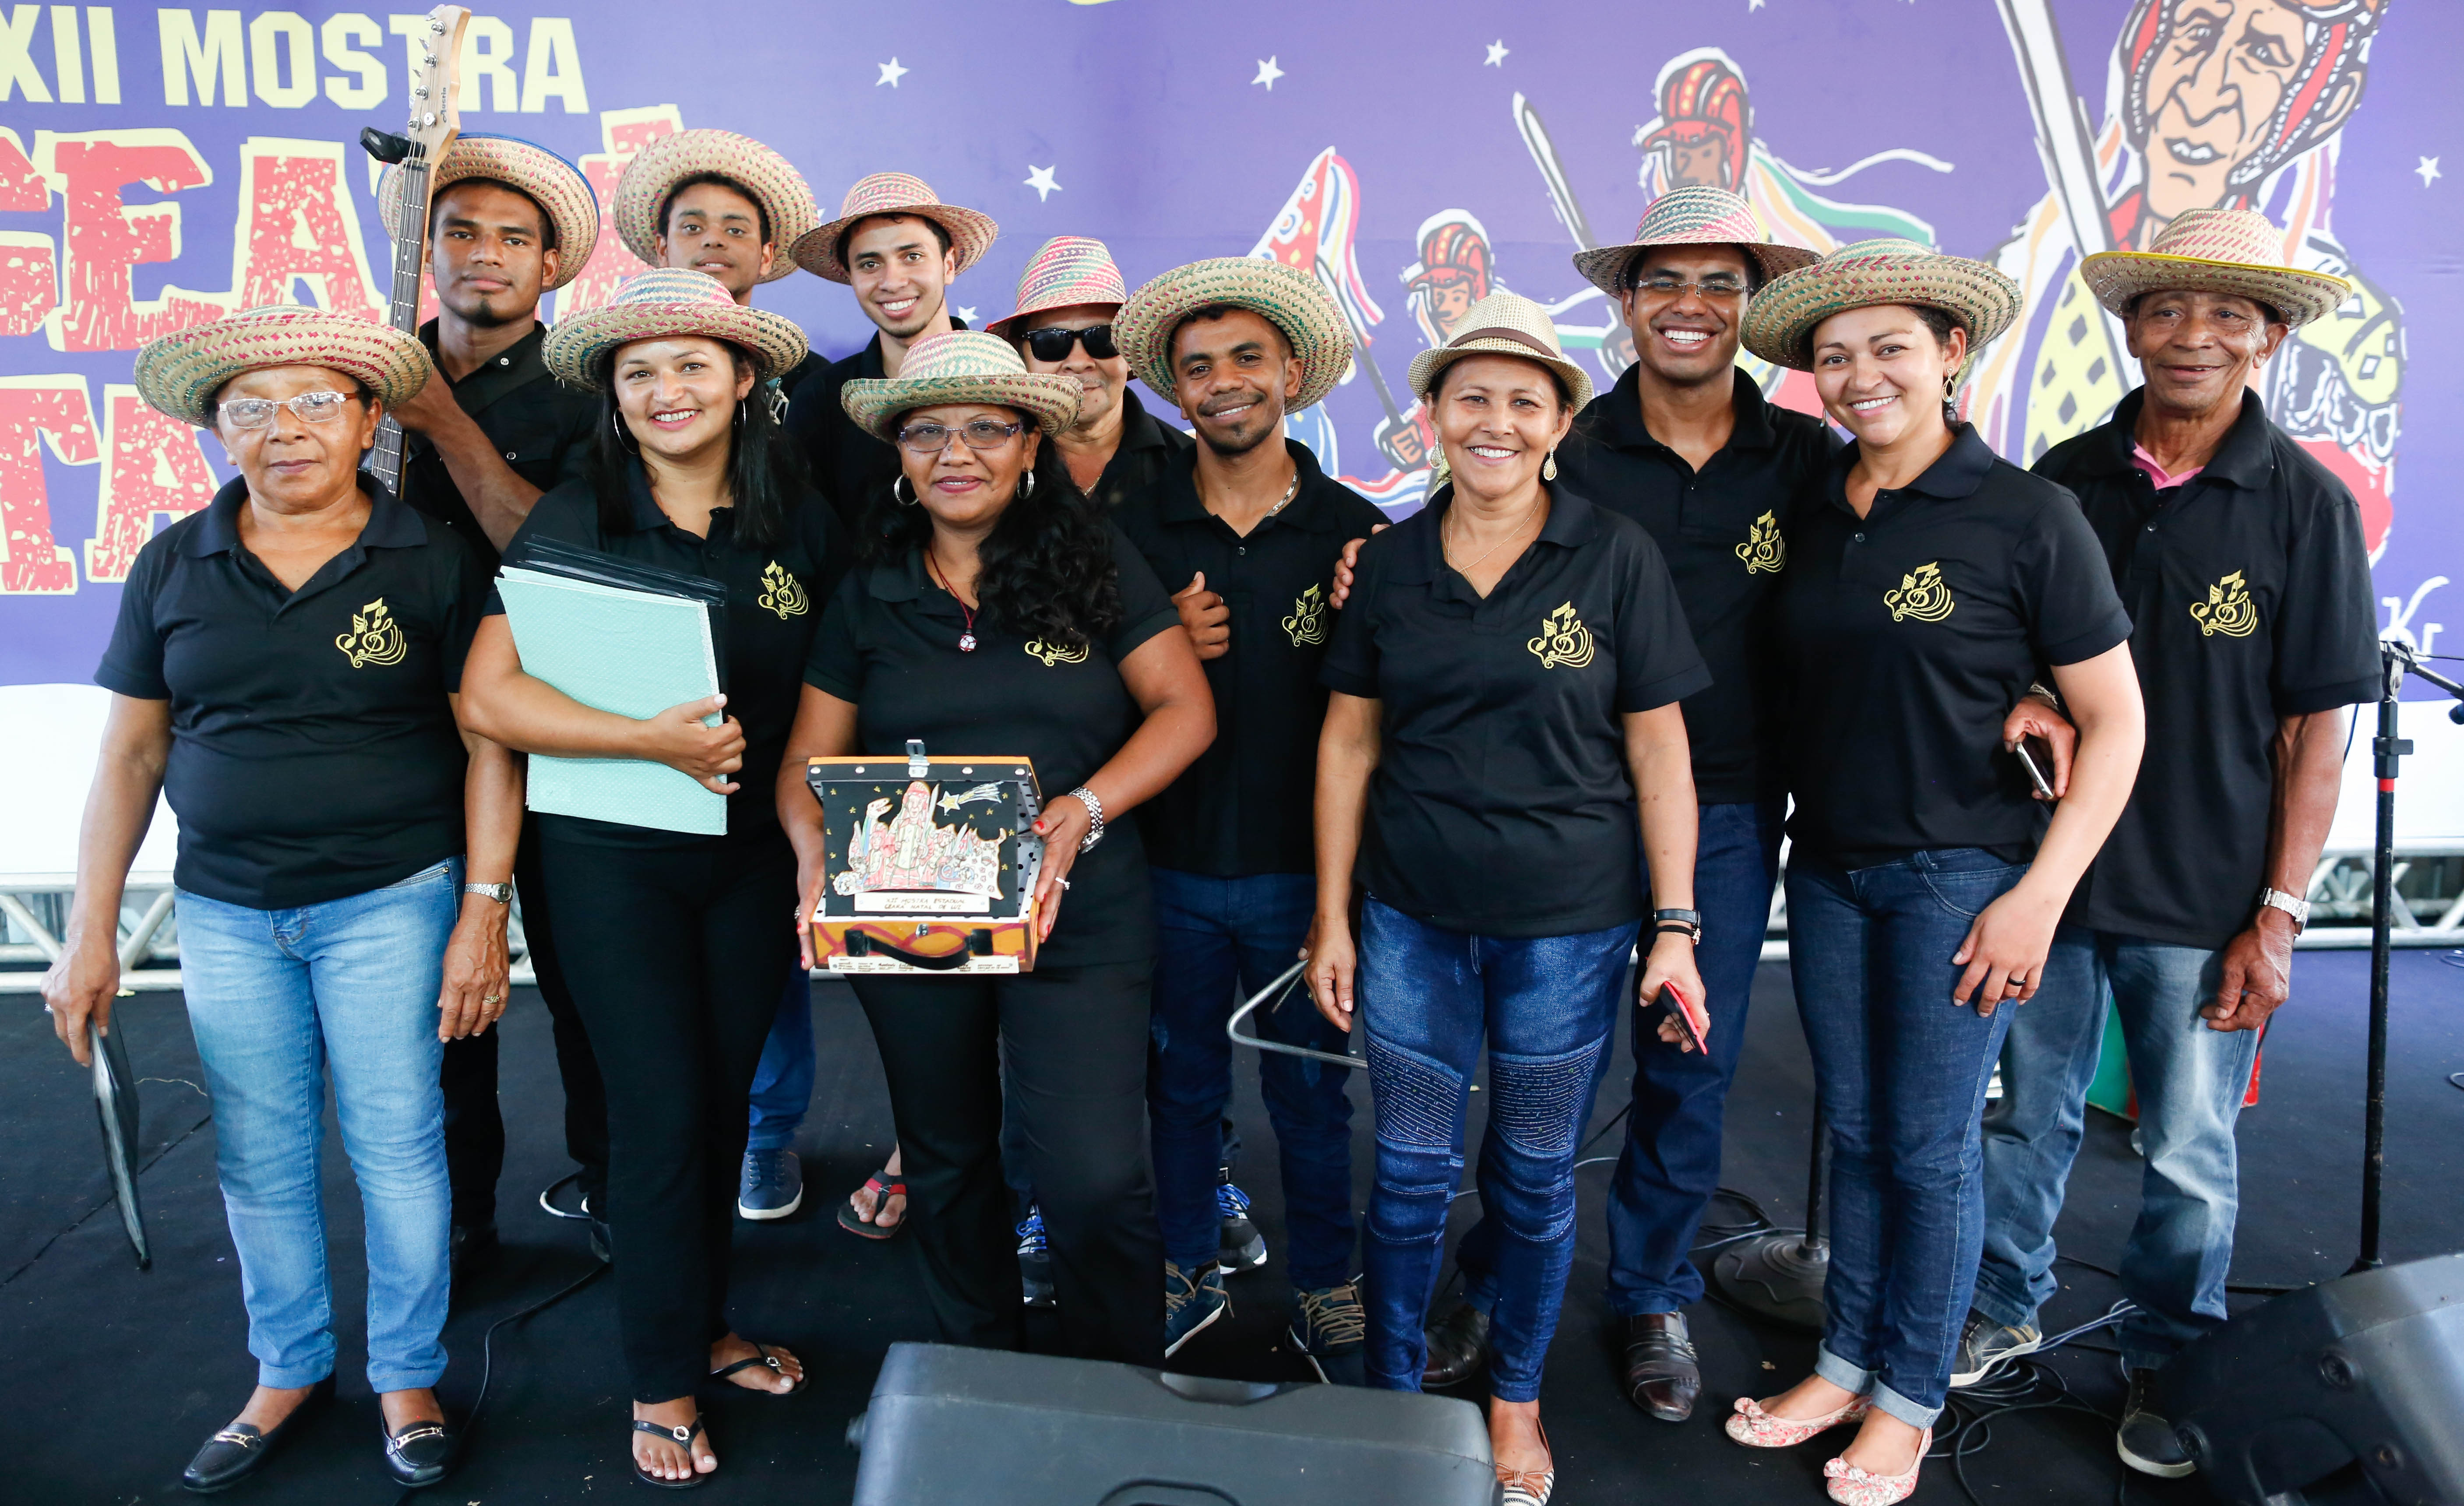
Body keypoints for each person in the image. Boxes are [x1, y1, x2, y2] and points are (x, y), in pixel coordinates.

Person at [42, 304, 519, 1493]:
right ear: (218, 431)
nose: (284, 429)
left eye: (314, 401)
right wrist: (91, 933)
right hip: (224, 909)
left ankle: (406, 1372)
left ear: (367, 420)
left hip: (391, 899)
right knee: (259, 1154)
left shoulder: (431, 558)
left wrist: (483, 908)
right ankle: (289, 1368)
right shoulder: (174, 560)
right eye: (249, 409)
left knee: (398, 1145)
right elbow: (130, 756)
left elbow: (489, 743)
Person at [1960, 210, 2381, 1480]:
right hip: (2049, 874)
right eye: (2165, 308)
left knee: (2187, 1150)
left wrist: (2279, 912)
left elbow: (2313, 736)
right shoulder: (2065, 477)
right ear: (2130, 327)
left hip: (2204, 892)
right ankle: (2001, 1303)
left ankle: (2167, 1350)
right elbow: (2012, 652)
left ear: (2268, 338)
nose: (2191, 333)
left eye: (2225, 313)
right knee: (2021, 1115)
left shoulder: (2305, 504)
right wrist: (2022, 695)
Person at [1726, 240, 2145, 1506]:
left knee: (1926, 1146)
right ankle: (1844, 1359)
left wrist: (2036, 899)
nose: (1860, 375)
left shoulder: (2026, 514)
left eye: (1890, 347)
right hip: (1831, 869)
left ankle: (1908, 1397)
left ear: (1951, 353)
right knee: (1858, 1133)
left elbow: (2115, 722)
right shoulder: (1814, 505)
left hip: (1962, 878)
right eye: (1834, 357)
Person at [1413, 185, 1826, 1420]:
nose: (1689, 305)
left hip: (1731, 808)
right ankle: (1496, 1276)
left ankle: (1650, 1291)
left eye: (1717, 283)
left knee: (1688, 1063)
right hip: (1573, 810)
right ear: (1626, 303)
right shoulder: (1569, 448)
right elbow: (1446, 556)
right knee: (1547, 1072)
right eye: (1664, 281)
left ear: (1749, 304)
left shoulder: (1805, 459)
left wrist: (2027, 682)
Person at [1308, 293, 1711, 1506]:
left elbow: (1658, 752)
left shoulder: (1614, 555)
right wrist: (1331, 915)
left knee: (1533, 1181)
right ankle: (1391, 1398)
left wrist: (1675, 926)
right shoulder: (1387, 564)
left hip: (1567, 933)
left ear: (1559, 423)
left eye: (1523, 401)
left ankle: (1515, 1399)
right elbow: (1347, 745)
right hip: (1410, 923)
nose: (1495, 421)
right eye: (1470, 397)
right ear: (1431, 416)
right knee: (1408, 1176)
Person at [458, 269, 845, 1487]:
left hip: (748, 863)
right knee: (660, 1115)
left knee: (720, 1106)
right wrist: (645, 741)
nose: (666, 390)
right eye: (639, 374)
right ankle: (659, 1382)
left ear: (743, 379)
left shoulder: (799, 521)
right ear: (613, 398)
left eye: (690, 366)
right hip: (609, 865)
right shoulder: (578, 517)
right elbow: (488, 697)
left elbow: (840, 685)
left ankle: (703, 1326)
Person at [780, 330, 1213, 1366]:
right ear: (898, 454)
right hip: (908, 914)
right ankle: (980, 1374)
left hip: (1080, 911)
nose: (955, 451)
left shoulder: (1093, 560)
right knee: (946, 1160)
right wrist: (810, 853)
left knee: (1092, 1176)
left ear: (1029, 446)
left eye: (986, 427)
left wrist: (1085, 807)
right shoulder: (869, 589)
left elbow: (1184, 709)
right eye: (925, 431)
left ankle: (1118, 1388)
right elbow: (805, 762)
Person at [1110, 257, 1387, 1368]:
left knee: (1311, 1095)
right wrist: (1146, 642)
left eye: (1245, 359)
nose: (1222, 382)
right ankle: (1184, 1260)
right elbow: (1069, 690)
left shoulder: (1358, 532)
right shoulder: (1126, 526)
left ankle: (1324, 1279)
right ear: (1172, 391)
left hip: (1299, 875)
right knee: (1176, 1084)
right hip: (1162, 865)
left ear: (1291, 374)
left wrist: (1341, 900)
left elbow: (1389, 717)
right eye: (1197, 367)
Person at [380, 131, 613, 1276]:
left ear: (550, 264)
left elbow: (556, 556)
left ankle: (616, 1192)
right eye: (460, 231)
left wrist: (438, 419)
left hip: (559, 719)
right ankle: (459, 1219)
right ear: (425, 249)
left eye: (513, 238)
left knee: (587, 983)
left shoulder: (589, 391)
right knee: (436, 998)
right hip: (405, 733)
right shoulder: (371, 368)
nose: (485, 253)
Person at [614, 127, 837, 1225]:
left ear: (766, 256)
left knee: (776, 958)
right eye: (690, 225)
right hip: (640, 749)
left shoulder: (822, 396)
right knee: (650, 994)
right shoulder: (614, 400)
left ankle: (765, 1134)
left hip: (789, 718)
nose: (711, 242)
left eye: (734, 229)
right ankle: (664, 1163)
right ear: (657, 245)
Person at [785, 173, 997, 525]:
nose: (893, 282)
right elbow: (806, 534)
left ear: (948, 265)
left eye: (912, 256)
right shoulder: (820, 399)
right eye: (870, 264)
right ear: (850, 277)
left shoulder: (1008, 380)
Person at [990, 236, 1190, 511]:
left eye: (1102, 339)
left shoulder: (1193, 466)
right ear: (1022, 357)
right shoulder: (985, 466)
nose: (1079, 362)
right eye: (1050, 342)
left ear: (1130, 354)